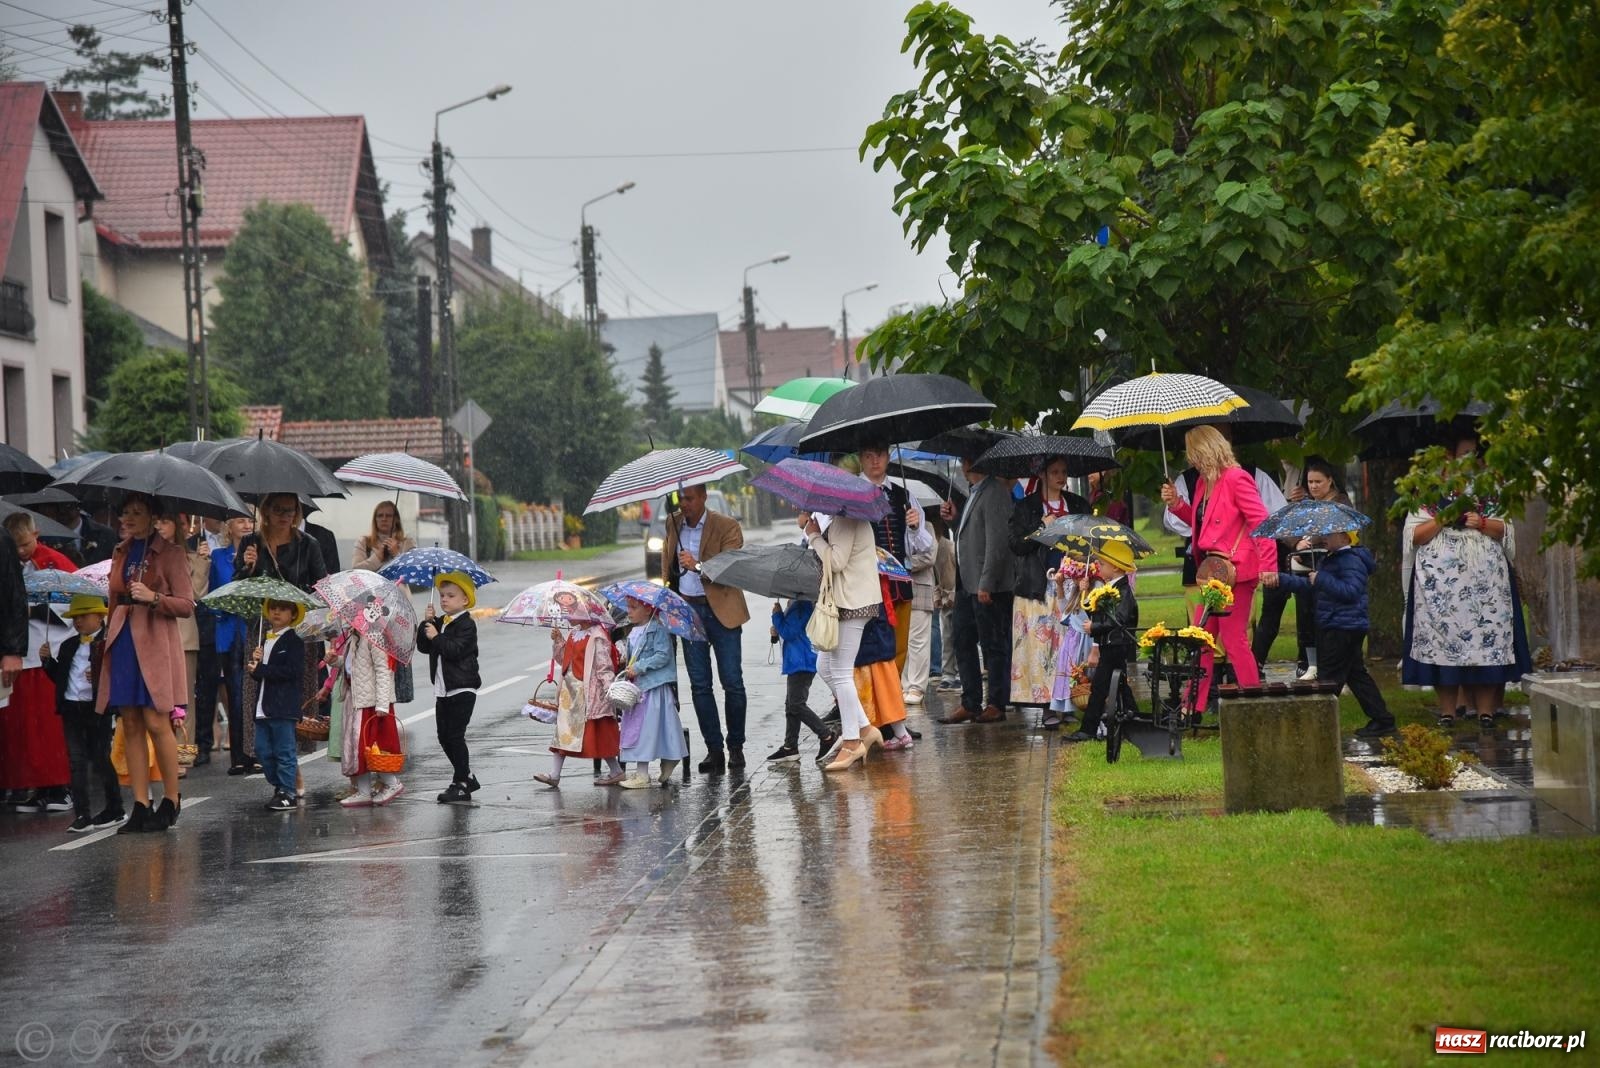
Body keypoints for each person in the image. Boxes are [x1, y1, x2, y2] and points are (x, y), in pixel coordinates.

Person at [1400, 433, 1531, 727]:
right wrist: (1444, 518)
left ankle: (1485, 711)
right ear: (1449, 456)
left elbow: (1506, 531)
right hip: (1440, 587)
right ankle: (1448, 711)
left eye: (1474, 454)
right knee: (1442, 645)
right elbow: (1415, 536)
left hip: (1486, 584)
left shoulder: (1492, 491)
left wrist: (1480, 522)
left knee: (1487, 644)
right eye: (1464, 454)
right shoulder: (1428, 491)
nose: (1469, 461)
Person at [1159, 426, 1276, 711]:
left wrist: (1269, 564)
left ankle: (1251, 701)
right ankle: (1192, 706)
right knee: (1201, 639)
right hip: (1212, 571)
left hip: (1236, 571)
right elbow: (1202, 523)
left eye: (1194, 454)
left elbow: (1261, 522)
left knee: (1234, 639)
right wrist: (1177, 504)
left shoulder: (1237, 478)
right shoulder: (1203, 483)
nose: (1191, 461)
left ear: (1206, 450)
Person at [103, 493, 195, 834]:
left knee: (157, 721)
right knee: (129, 722)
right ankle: (141, 805)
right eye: (124, 511)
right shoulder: (120, 551)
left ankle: (171, 799)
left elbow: (187, 604)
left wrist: (153, 597)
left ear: (152, 517)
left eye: (136, 513)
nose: (127, 518)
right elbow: (113, 599)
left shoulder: (170, 554)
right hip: (123, 640)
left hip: (155, 643)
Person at [236, 493, 327, 793]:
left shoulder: (308, 544)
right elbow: (239, 588)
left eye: (291, 509)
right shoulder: (251, 542)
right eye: (278, 509)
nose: (285, 515)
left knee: (290, 703)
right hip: (260, 628)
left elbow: (321, 587)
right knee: (260, 698)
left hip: (298, 631)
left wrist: (296, 600)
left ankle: (290, 775)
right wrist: (247, 567)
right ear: (264, 512)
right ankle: (278, 771)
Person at [1266, 528, 1394, 737]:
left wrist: (1322, 579)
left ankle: (1319, 726)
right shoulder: (1333, 558)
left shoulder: (1350, 559)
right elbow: (1312, 586)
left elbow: (1351, 591)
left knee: (1328, 679)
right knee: (1356, 675)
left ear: (1345, 537)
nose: (1324, 539)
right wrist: (1282, 579)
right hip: (1339, 624)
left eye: (1330, 535)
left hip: (1342, 626)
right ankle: (1382, 719)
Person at [660, 483, 749, 773]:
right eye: (680, 498)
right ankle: (714, 750)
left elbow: (731, 566)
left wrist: (698, 566)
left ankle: (735, 746)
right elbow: (668, 567)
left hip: (722, 610)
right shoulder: (672, 524)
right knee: (700, 685)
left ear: (703, 497)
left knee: (732, 681)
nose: (683, 504)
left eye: (689, 498)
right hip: (689, 612)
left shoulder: (727, 526)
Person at [0, 512, 76, 812]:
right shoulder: (8, 560)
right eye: (15, 547)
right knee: (21, 728)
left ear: (37, 534)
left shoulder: (55, 562)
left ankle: (59, 785)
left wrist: (35, 611)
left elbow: (73, 603)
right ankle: (29, 785)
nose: (21, 552)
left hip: (46, 653)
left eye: (25, 545)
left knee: (47, 726)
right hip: (18, 652)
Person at [803, 509, 884, 771]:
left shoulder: (847, 518)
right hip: (847, 601)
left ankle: (852, 742)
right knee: (825, 667)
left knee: (840, 672)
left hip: (853, 603)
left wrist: (814, 536)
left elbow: (836, 561)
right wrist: (815, 533)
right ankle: (864, 727)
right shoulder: (841, 518)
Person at [1254, 458, 1351, 678]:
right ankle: (1311, 662)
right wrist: (1297, 542)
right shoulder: (1303, 504)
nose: (1314, 486)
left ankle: (1334, 666)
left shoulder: (1341, 502)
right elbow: (1283, 526)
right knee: (1305, 614)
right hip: (1304, 566)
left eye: (1318, 481)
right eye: (1310, 482)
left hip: (1332, 567)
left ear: (1330, 481)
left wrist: (1315, 539)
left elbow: (1338, 529)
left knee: (1329, 616)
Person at [1008, 458, 1091, 714]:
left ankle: (1069, 699)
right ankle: (1046, 706)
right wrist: (1041, 527)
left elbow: (1089, 539)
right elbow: (1016, 544)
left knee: (1068, 645)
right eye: (1054, 472)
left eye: (1064, 472)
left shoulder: (1076, 504)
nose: (1060, 477)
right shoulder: (1026, 507)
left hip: (1071, 585)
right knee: (1043, 648)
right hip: (1038, 585)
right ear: (1042, 475)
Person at [938, 455, 1015, 725]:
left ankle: (996, 702)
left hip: (986, 586)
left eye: (965, 460)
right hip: (966, 584)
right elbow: (969, 535)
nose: (962, 464)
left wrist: (987, 583)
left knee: (994, 645)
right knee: (962, 640)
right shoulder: (974, 492)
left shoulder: (994, 492)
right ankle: (970, 702)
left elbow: (997, 542)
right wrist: (953, 521)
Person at [40, 594, 120, 832]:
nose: (79, 622)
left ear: (99, 616)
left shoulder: (109, 644)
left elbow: (118, 675)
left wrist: (99, 678)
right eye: (75, 618)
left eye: (84, 616)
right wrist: (47, 662)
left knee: (100, 759)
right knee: (76, 762)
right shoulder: (69, 646)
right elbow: (60, 677)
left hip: (96, 709)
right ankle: (82, 814)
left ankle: (115, 808)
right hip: (71, 708)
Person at [858, 445, 935, 670]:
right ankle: (869, 701)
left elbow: (923, 546)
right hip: (866, 585)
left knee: (899, 647)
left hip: (899, 583)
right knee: (868, 647)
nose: (875, 461)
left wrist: (913, 527)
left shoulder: (903, 496)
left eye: (879, 454)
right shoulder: (852, 493)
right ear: (861, 458)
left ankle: (893, 696)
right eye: (869, 455)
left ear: (889, 456)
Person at [533, 618, 624, 788]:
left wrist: (609, 689)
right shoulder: (573, 633)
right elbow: (564, 660)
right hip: (569, 694)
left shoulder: (598, 636)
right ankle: (555, 774)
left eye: (572, 610)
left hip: (589, 693)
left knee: (598, 733)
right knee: (563, 733)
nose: (568, 615)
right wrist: (558, 640)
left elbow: (604, 666)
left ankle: (616, 771)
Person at [1066, 541, 1140, 743]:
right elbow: (1097, 611)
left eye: (1103, 564)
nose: (1099, 567)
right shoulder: (1110, 588)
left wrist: (1096, 628)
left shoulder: (1123, 590)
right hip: (1110, 644)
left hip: (1116, 645)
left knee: (1100, 687)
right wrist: (1086, 592)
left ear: (1115, 567)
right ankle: (1134, 716)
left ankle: (1089, 729)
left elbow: (1119, 619)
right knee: (1117, 684)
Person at [420, 572, 482, 804]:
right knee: (443, 737)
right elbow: (424, 647)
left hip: (462, 689)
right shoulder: (441, 623)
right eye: (442, 595)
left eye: (450, 596)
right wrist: (426, 623)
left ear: (464, 600)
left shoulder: (467, 624)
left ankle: (462, 782)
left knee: (455, 736)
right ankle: (465, 777)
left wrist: (437, 636)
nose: (444, 600)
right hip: (443, 689)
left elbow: (455, 650)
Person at [617, 595, 690, 788]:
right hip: (639, 688)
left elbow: (663, 655)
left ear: (648, 610)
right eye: (628, 607)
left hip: (653, 688)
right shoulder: (633, 631)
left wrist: (639, 667)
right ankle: (669, 758)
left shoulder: (657, 629)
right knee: (646, 729)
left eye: (634, 608)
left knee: (647, 730)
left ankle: (643, 774)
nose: (629, 611)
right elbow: (634, 656)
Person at [153, 513, 210, 756]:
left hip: (183, 634)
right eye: (156, 521)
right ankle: (157, 750)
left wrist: (202, 562)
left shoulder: (189, 555)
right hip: (153, 633)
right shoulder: (146, 557)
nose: (159, 526)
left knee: (184, 696)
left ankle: (182, 749)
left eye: (164, 521)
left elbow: (197, 593)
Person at [333, 625, 406, 808]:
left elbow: (383, 671)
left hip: (371, 702)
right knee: (359, 749)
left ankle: (392, 783)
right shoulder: (354, 636)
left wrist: (382, 704)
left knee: (374, 748)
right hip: (357, 698)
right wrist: (336, 661)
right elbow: (354, 667)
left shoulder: (374, 635)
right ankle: (363, 791)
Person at [211, 516, 259, 776]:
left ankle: (256, 752)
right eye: (239, 521)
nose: (245, 525)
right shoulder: (219, 555)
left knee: (254, 692)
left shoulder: (259, 553)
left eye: (249, 520)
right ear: (228, 526)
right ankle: (238, 756)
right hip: (228, 630)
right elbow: (212, 593)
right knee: (235, 694)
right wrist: (222, 610)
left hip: (252, 627)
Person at [249, 599, 306, 813]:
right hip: (263, 706)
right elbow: (262, 676)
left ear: (292, 614)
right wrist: (256, 667)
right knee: (262, 750)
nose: (276, 612)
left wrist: (262, 670)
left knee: (284, 751)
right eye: (273, 608)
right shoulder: (264, 640)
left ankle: (287, 792)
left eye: (282, 609)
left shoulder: (294, 640)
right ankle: (280, 786)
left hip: (283, 706)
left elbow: (293, 672)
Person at [766, 597, 836, 763]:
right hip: (797, 661)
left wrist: (776, 616)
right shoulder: (796, 604)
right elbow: (788, 630)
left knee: (796, 704)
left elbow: (790, 632)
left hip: (802, 661)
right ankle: (790, 747)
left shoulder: (802, 605)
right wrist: (778, 626)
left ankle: (827, 736)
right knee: (791, 704)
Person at [40, 498, 115, 565]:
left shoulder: (105, 534)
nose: (62, 510)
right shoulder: (45, 538)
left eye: (67, 506)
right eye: (57, 507)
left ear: (78, 507)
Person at [353, 501, 415, 572]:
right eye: (380, 515)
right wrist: (377, 558)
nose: (384, 519)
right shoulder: (364, 541)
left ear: (396, 519)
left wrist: (397, 555)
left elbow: (412, 572)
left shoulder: (408, 542)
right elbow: (356, 571)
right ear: (375, 519)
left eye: (388, 515)